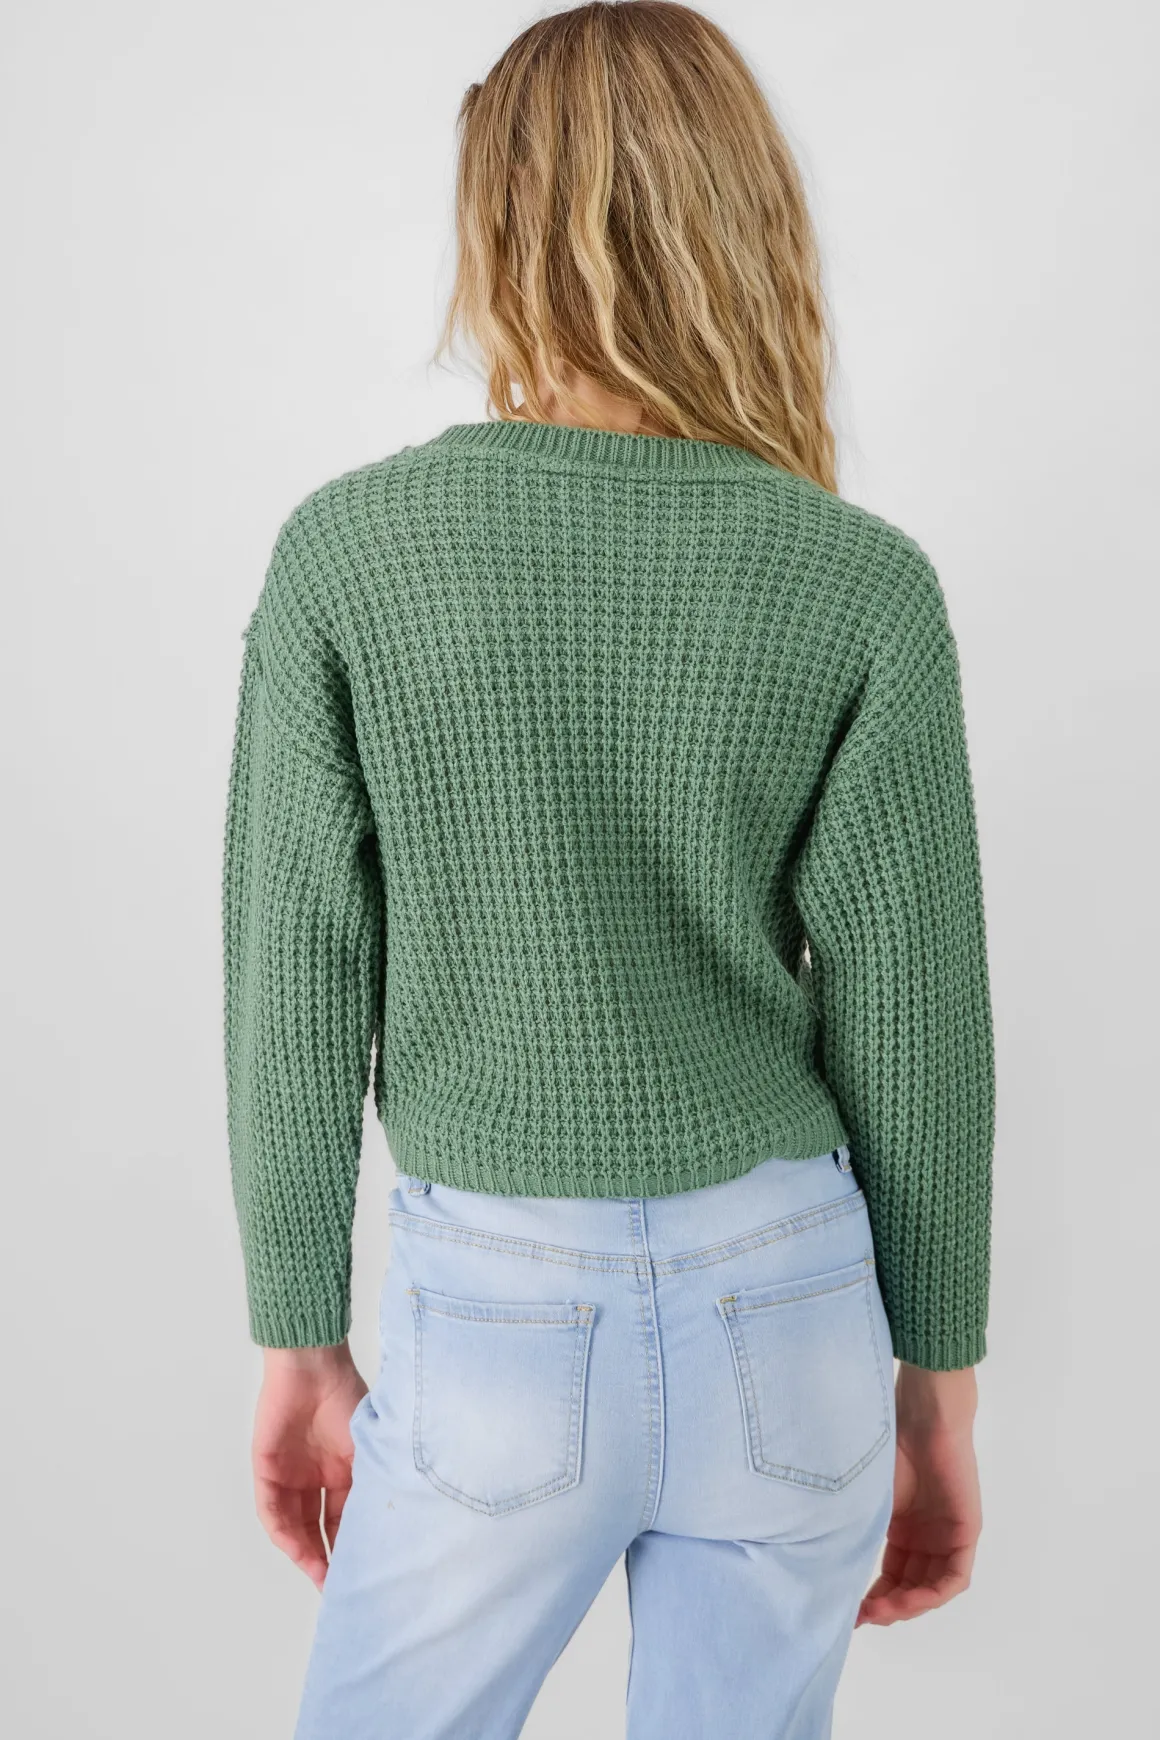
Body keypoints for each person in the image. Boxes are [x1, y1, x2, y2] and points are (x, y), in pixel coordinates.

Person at [221, 4, 994, 1735]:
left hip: (497, 1309)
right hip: (794, 1301)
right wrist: (937, 1393)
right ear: (744, 213)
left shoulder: (351, 555)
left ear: (497, 225)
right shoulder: (861, 581)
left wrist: (298, 1337)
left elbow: (294, 984)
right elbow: (921, 1033)